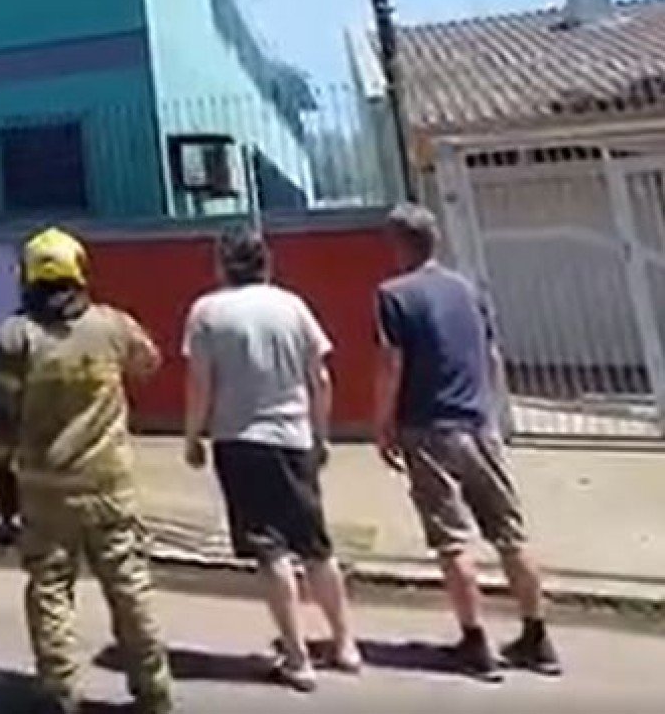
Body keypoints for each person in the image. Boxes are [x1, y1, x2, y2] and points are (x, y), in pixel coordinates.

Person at [0, 226, 173, 714]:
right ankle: (153, 692)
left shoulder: (16, 335)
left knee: (51, 590)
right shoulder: (112, 326)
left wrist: (1, 484)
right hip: (109, 486)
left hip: (44, 491)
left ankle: (60, 692)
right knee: (130, 587)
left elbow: (0, 417)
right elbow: (149, 364)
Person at [374, 203, 561, 680]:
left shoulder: (393, 295)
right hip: (480, 426)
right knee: (509, 533)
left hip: (428, 428)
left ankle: (476, 643)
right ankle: (537, 636)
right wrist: (491, 410)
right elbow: (492, 355)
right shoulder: (469, 289)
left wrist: (383, 423)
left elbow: (392, 364)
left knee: (452, 540)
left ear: (399, 244)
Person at [182, 226, 360, 691]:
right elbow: (320, 378)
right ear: (266, 262)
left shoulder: (207, 312)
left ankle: (297, 657)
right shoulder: (292, 306)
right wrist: (321, 435)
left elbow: (201, 384)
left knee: (270, 549)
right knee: (316, 547)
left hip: (239, 441)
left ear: (222, 263)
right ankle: (345, 644)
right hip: (294, 438)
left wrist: (192, 435)